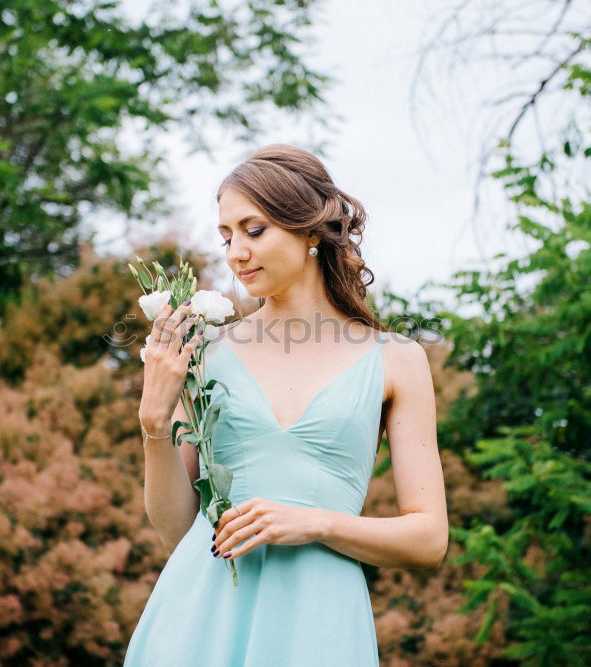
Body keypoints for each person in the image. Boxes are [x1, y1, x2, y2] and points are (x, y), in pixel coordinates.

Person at [124, 144, 448, 666]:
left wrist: (314, 523)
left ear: (310, 230)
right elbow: (174, 531)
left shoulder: (396, 361)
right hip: (201, 616)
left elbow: (428, 539)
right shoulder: (205, 352)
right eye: (226, 237)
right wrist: (154, 422)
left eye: (254, 231)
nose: (235, 253)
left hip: (319, 623)